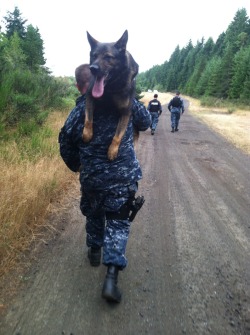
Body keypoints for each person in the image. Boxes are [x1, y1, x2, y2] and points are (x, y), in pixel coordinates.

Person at [59, 64, 151, 303]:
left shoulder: (79, 112)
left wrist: (78, 166)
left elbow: (65, 142)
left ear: (80, 87)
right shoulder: (126, 103)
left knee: (94, 212)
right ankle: (111, 276)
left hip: (92, 179)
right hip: (122, 179)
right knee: (118, 223)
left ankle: (94, 250)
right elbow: (145, 121)